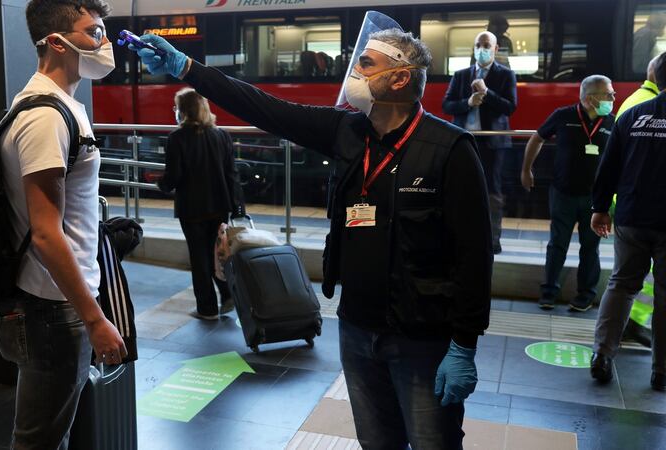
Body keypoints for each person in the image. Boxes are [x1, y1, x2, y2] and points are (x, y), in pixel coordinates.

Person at [131, 26, 492, 449]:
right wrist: (187, 68)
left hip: (423, 338)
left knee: (434, 443)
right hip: (357, 328)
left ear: (400, 78)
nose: (355, 71)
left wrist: (464, 344)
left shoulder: (449, 149)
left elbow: (475, 253)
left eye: (367, 64)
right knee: (377, 442)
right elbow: (263, 107)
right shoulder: (346, 131)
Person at [0, 1, 126, 448]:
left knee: (53, 433)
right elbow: (46, 232)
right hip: (54, 307)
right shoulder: (45, 117)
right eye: (94, 32)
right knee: (40, 440)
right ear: (56, 41)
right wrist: (93, 318)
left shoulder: (62, 106)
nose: (104, 43)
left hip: (59, 301)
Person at [590, 52, 666, 392]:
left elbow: (609, 167)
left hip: (632, 217)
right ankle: (661, 370)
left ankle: (602, 355)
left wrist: (600, 208)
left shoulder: (632, 115)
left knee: (621, 284)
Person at [520, 75, 615, 312]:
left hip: (595, 199)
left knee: (590, 247)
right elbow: (537, 138)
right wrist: (526, 169)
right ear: (592, 99)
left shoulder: (612, 122)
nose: (613, 97)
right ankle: (548, 292)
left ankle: (585, 296)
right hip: (562, 193)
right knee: (557, 244)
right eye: (608, 94)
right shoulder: (563, 116)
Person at [158, 87, 244, 320]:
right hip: (220, 206)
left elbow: (173, 176)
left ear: (184, 111)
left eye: (177, 107)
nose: (175, 111)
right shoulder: (222, 135)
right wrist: (237, 204)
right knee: (219, 254)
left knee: (200, 258)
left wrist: (162, 185)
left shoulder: (177, 138)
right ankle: (228, 295)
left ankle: (207, 309)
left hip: (192, 209)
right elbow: (232, 173)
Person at [443, 31, 517, 254]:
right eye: (478, 45)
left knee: (492, 191)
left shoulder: (506, 75)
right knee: (459, 187)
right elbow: (447, 105)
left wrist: (487, 93)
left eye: (487, 45)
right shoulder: (461, 75)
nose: (482, 49)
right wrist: (468, 102)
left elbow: (510, 107)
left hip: (492, 143)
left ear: (495, 49)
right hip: (464, 140)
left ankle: (493, 240)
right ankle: (460, 235)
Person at [614, 55, 662, 347]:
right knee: (630, 278)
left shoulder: (634, 101)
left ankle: (626, 326)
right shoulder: (643, 105)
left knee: (625, 278)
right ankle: (632, 322)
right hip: (644, 208)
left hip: (632, 204)